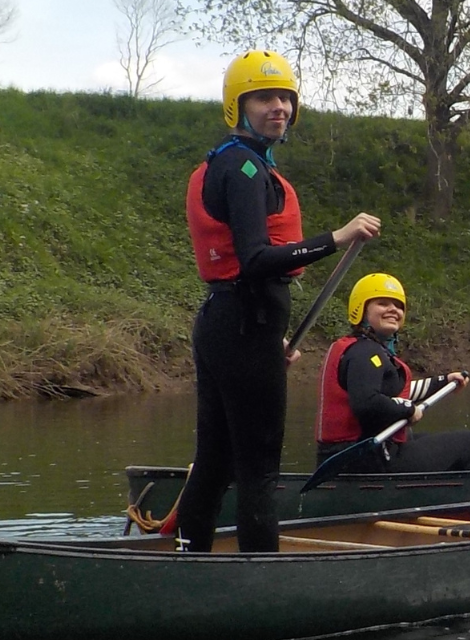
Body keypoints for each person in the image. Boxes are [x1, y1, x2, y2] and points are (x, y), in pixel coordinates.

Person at [174, 50, 381, 554]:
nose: (279, 107)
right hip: (242, 327)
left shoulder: (233, 163)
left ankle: (188, 560)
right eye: (265, 98)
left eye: (286, 98)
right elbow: (256, 260)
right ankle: (258, 575)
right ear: (238, 105)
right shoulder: (243, 168)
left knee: (217, 459)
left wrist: (269, 336)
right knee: (258, 467)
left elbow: (246, 273)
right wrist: (337, 236)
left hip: (234, 324)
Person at [314, 273, 470, 473]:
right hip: (365, 458)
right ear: (360, 309)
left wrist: (443, 381)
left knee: (416, 438)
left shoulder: (362, 349)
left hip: (355, 455)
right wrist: (408, 410)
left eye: (398, 305)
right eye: (382, 303)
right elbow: (366, 402)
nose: (393, 310)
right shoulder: (365, 353)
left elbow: (391, 394)